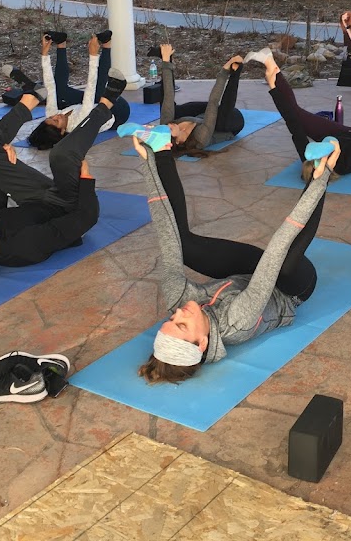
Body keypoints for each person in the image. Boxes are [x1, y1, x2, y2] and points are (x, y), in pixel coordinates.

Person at [128, 129, 335, 384]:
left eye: (171, 319)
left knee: (182, 244)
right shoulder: (238, 322)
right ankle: (323, 164)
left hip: (243, 276)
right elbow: (275, 252)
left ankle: (162, 148)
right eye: (182, 325)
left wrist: (150, 164)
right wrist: (319, 181)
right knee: (284, 265)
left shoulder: (179, 302)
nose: (178, 312)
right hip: (289, 290)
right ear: (202, 343)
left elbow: (166, 235)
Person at [0, 67, 127, 288]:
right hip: (67, 206)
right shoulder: (25, 247)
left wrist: (2, 166)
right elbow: (86, 218)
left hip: (34, 199)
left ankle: (32, 96)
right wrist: (86, 181)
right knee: (61, 155)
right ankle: (107, 103)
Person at [248, 46, 351, 178]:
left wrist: (273, 85)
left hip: (340, 135)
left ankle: (269, 61)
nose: (319, 144)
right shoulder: (349, 162)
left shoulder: (310, 157)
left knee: (297, 115)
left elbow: (293, 124)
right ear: (330, 161)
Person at [19, 30, 131, 150]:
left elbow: (50, 87)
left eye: (50, 118)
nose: (55, 116)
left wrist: (44, 55)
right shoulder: (79, 123)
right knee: (98, 93)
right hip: (118, 111)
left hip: (92, 104)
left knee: (59, 92)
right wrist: (93, 56)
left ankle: (61, 43)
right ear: (62, 131)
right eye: (56, 121)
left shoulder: (54, 116)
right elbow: (90, 90)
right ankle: (106, 44)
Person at [156, 43, 245, 155]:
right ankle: (236, 72)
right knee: (222, 121)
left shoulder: (167, 125)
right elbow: (213, 102)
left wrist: (166, 62)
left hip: (201, 116)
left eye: (166, 126)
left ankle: (168, 55)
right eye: (169, 129)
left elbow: (168, 96)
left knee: (170, 108)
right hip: (231, 123)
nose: (169, 125)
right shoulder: (200, 138)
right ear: (178, 141)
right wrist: (225, 71)